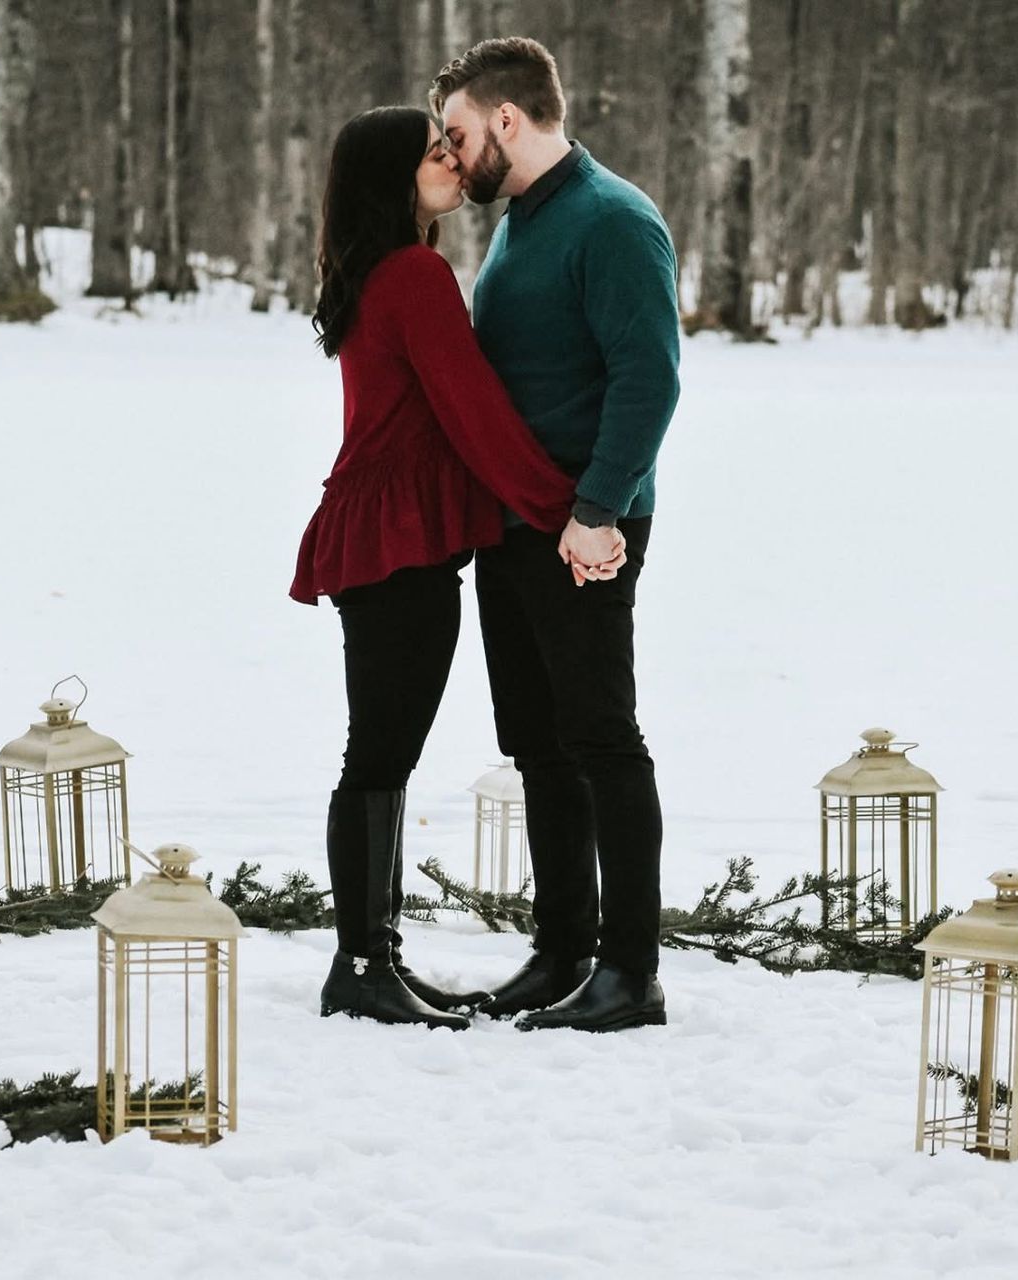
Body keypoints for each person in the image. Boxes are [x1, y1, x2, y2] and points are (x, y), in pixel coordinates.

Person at [290, 105, 624, 1031]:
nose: (452, 161)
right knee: (379, 753)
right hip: (398, 541)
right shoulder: (415, 274)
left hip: (384, 534)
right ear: (392, 177)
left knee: (379, 750)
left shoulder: (376, 270)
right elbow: (478, 417)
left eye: (450, 145)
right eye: (434, 153)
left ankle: (372, 958)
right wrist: (573, 514)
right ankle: (361, 965)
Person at [432, 38, 681, 1033]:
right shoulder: (523, 222)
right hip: (517, 521)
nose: (451, 156)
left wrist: (596, 510)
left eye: (456, 132)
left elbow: (649, 376)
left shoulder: (614, 220)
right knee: (538, 744)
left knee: (601, 739)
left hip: (586, 525)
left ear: (507, 119)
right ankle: (564, 948)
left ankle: (631, 971)